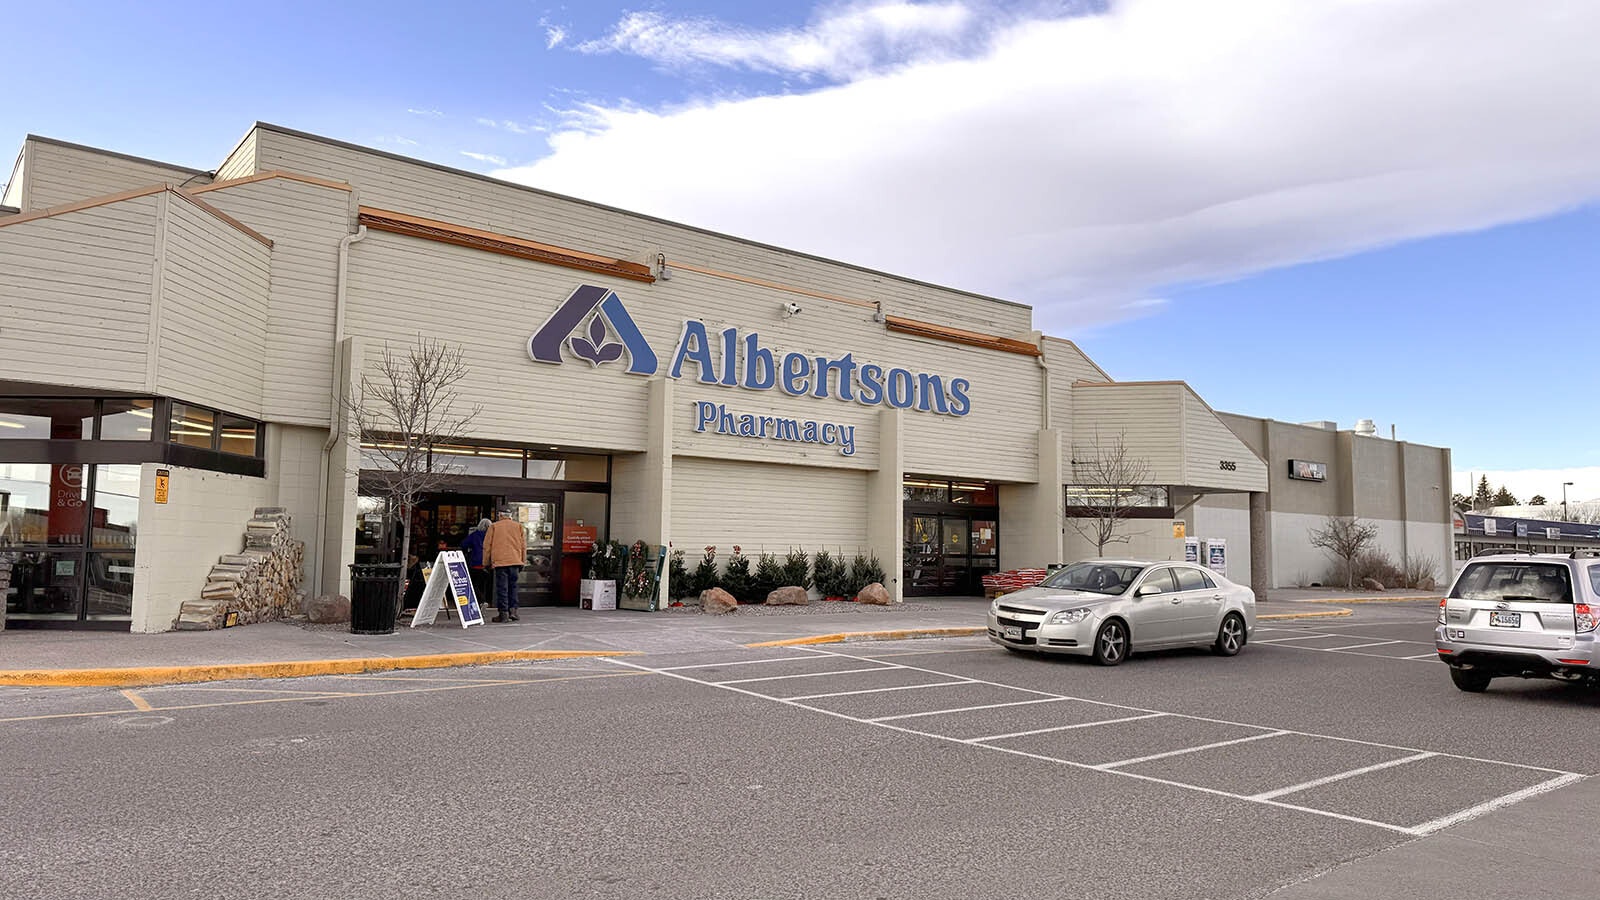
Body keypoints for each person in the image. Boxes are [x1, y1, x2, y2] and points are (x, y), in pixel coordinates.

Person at [482, 507, 526, 622]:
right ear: (510, 516)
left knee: (502, 588)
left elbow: (487, 547)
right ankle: (514, 611)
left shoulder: (494, 526)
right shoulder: (518, 526)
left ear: (500, 515)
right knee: (513, 586)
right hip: (515, 561)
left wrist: (486, 563)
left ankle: (503, 614)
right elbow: (523, 546)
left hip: (500, 562)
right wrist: (522, 561)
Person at [460, 518, 491, 606]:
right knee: (485, 584)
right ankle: (485, 600)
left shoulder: (475, 535)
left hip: (476, 563)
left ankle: (481, 600)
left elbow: (463, 544)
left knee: (474, 584)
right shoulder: (492, 536)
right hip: (488, 564)